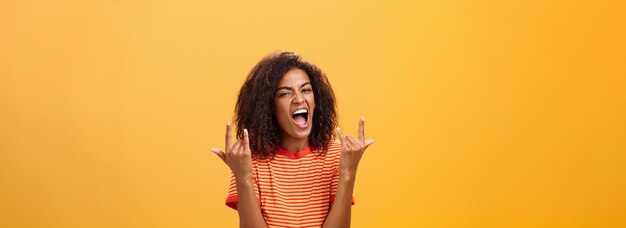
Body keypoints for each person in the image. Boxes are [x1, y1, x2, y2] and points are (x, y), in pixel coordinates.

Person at [211, 51, 374, 228]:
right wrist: (243, 177)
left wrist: (348, 173)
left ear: (315, 100)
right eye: (285, 93)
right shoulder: (248, 161)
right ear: (269, 107)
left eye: (306, 90)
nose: (299, 98)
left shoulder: (337, 155)